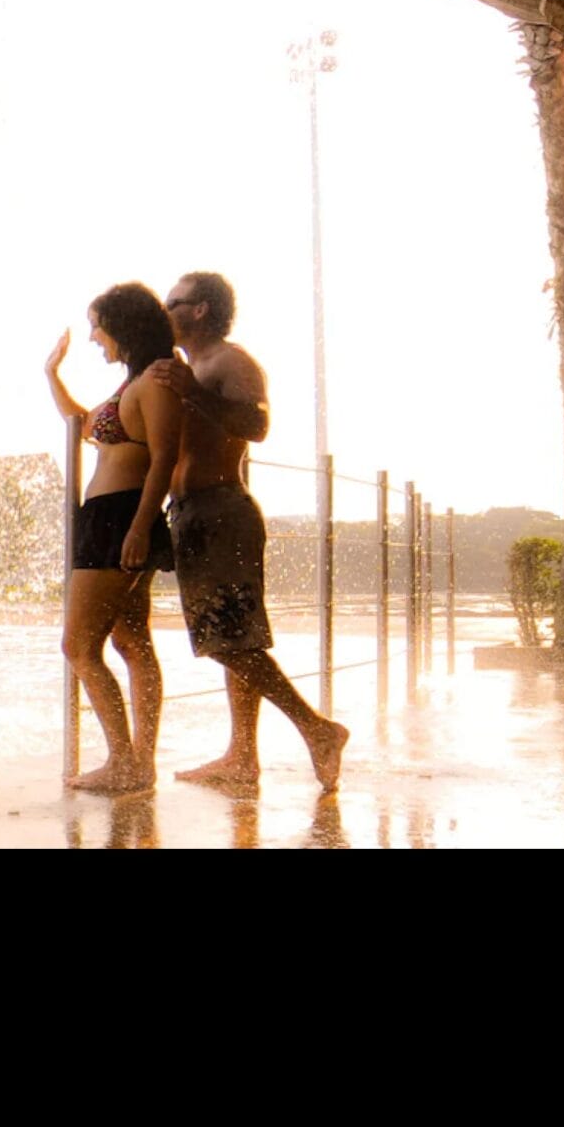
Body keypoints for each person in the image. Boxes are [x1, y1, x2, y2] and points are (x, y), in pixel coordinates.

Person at [144, 271, 350, 792]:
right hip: (194, 512)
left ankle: (317, 729)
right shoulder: (190, 366)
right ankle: (242, 756)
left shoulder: (229, 362)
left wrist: (194, 393)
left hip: (220, 512)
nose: (165, 309)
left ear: (201, 310)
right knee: (236, 637)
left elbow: (257, 425)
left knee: (224, 640)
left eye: (174, 301)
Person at [42, 284, 183, 796]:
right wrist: (51, 373)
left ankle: (126, 760)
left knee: (78, 645)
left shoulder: (154, 382)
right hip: (109, 516)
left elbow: (164, 460)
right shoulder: (131, 387)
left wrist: (141, 527)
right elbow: (81, 425)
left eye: (97, 324)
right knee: (131, 640)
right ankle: (138, 762)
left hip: (120, 518)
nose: (92, 336)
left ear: (123, 326)